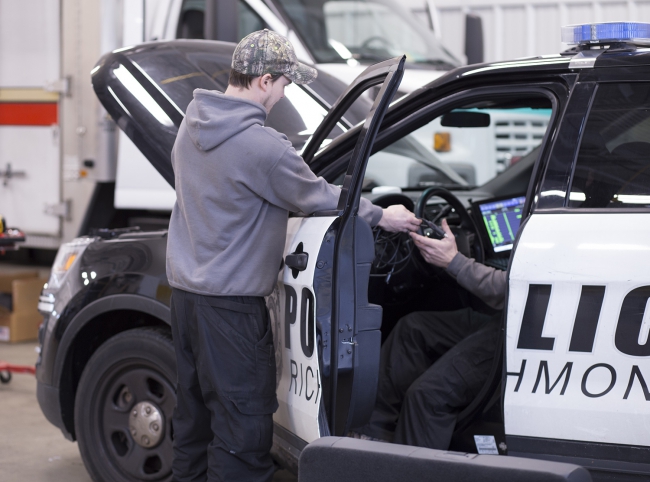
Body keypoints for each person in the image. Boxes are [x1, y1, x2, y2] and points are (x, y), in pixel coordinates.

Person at [166, 29, 420, 482]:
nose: (284, 94)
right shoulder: (262, 147)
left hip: (186, 303)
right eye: (284, 84)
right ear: (264, 80)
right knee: (240, 440)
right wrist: (385, 216)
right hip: (231, 315)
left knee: (193, 430)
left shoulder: (192, 123)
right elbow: (324, 197)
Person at [354, 218, 506, 450]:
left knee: (427, 396)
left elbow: (509, 288)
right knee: (413, 329)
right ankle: (375, 440)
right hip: (506, 317)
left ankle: (410, 471)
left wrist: (455, 261)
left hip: (518, 332)